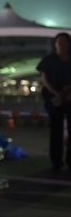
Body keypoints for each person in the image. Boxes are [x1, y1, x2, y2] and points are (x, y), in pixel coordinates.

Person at [36, 32, 71, 171]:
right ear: (55, 44)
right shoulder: (49, 59)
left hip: (69, 98)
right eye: (59, 41)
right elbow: (45, 79)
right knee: (55, 129)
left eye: (65, 41)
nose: (62, 43)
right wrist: (57, 93)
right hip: (53, 98)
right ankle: (56, 160)